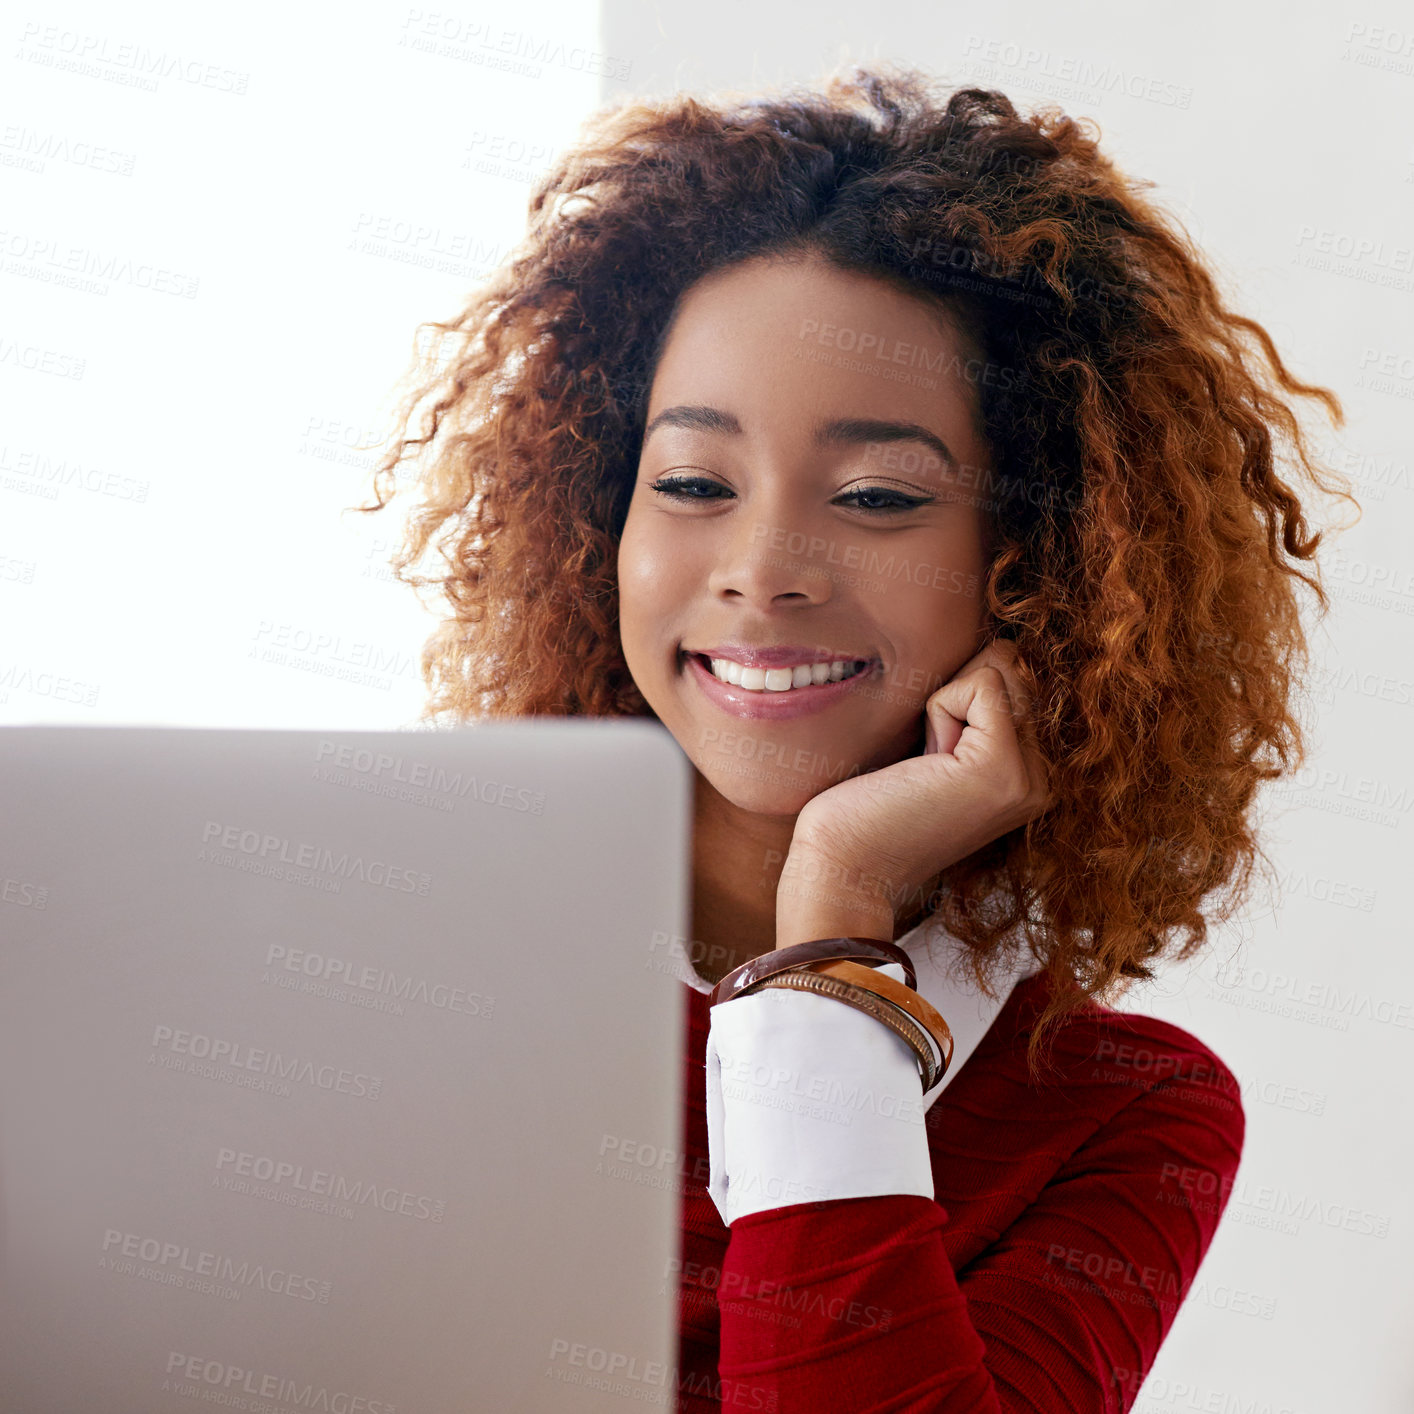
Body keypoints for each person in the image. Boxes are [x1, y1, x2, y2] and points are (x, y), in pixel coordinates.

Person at [355, 63, 1358, 1412]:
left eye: (878, 493)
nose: (762, 568)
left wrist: (829, 922)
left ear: (1043, 559)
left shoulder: (1126, 1116)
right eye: (694, 483)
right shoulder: (398, 967)